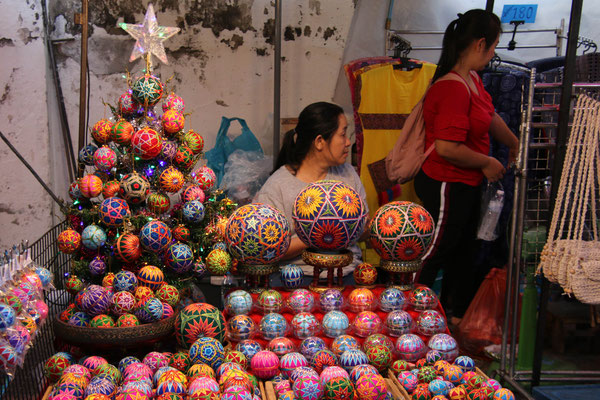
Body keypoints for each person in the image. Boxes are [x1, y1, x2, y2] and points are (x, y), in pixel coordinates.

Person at [414, 9, 519, 326]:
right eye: (494, 46)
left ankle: (449, 320)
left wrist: (513, 143)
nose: (493, 55)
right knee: (436, 251)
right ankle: (405, 309)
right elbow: (447, 148)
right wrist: (487, 161)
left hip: (467, 183)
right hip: (446, 182)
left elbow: (489, 117)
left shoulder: (472, 80)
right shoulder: (451, 88)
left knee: (462, 253)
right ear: (482, 44)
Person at [254, 102, 368, 285]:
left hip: (346, 274)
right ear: (319, 142)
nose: (348, 142)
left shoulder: (347, 174)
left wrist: (369, 224)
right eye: (343, 134)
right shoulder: (277, 186)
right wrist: (318, 233)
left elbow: (362, 230)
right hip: (296, 280)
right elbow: (268, 250)